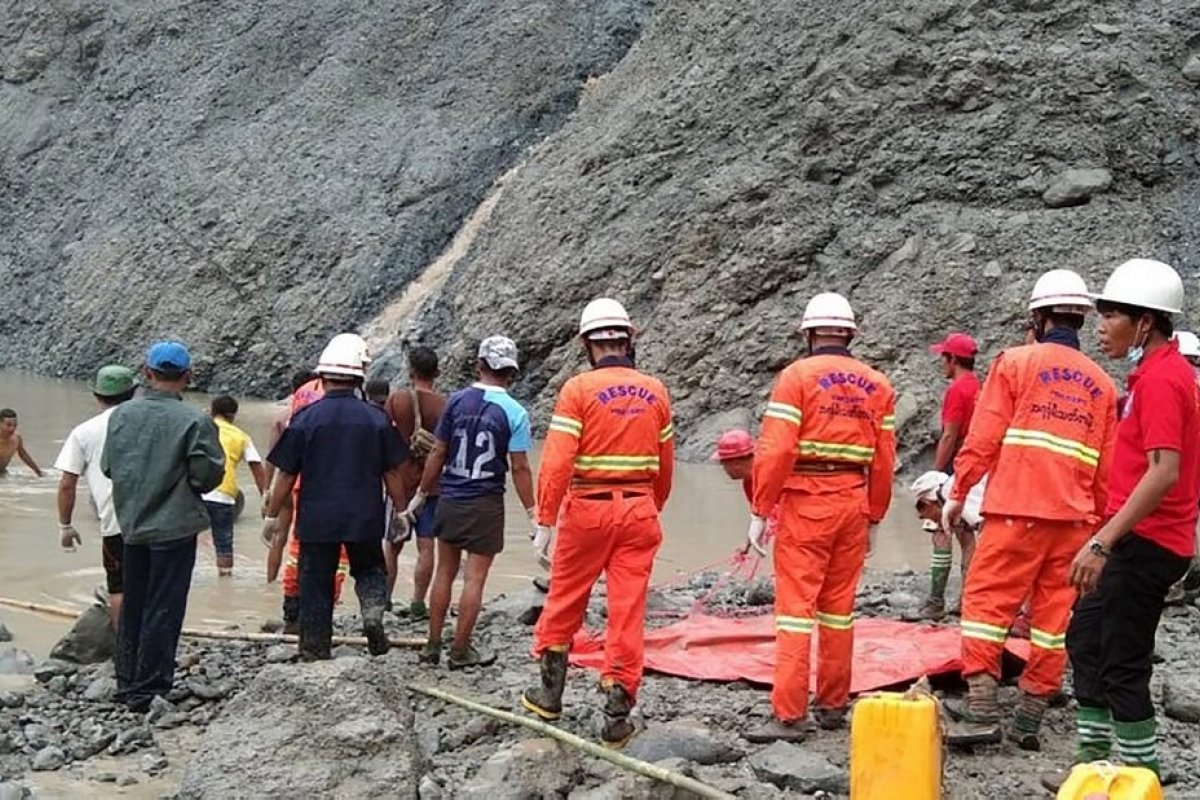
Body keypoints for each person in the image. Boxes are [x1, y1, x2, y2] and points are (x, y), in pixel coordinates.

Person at [943, 269, 1117, 750]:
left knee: (984, 605)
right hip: (1075, 522)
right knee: (1052, 621)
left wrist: (959, 490)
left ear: (1038, 317)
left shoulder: (1015, 362)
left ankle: (982, 709)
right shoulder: (1103, 384)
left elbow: (984, 434)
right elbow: (1105, 470)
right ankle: (1029, 720)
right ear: (1080, 319)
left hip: (1016, 511)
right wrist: (1098, 532)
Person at [1059, 259, 1198, 780]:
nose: (1100, 328)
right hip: (1132, 537)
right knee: (1086, 640)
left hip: (1146, 541)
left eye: (1110, 315)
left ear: (1146, 322)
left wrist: (1101, 544)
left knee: (1122, 659)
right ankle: (1091, 765)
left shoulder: (1165, 380)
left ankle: (1141, 777)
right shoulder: (1152, 376)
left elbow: (1164, 472)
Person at [742, 292, 896, 743]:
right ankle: (832, 704)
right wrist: (875, 516)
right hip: (852, 501)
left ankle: (789, 713)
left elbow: (777, 450)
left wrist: (760, 508)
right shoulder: (878, 384)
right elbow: (885, 460)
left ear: (810, 334)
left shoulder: (796, 377)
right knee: (838, 611)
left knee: (794, 611)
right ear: (849, 333)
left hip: (807, 502)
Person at [521, 299, 674, 748]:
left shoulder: (578, 390)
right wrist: (650, 507)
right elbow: (664, 468)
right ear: (628, 339)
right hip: (639, 508)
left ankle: (549, 695)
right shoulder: (656, 391)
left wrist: (545, 519)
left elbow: (556, 461)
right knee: (627, 610)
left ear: (588, 344)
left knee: (566, 598)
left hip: (587, 507)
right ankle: (616, 714)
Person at [264, 333, 410, 659]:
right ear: (360, 375)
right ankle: (372, 613)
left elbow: (286, 473)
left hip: (316, 518)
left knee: (314, 582)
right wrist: (401, 512)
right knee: (370, 570)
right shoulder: (376, 419)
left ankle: (315, 649)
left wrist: (273, 515)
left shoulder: (304, 419)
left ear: (322, 376)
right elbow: (393, 472)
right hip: (364, 514)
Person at [101, 342, 225, 712]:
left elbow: (109, 467)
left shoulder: (122, 415)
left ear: (147, 372)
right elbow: (208, 476)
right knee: (164, 605)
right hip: (174, 528)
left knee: (135, 600)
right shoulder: (195, 421)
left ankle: (127, 680)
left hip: (133, 526)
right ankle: (150, 687)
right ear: (187, 377)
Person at [406, 336, 534, 668]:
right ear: (511, 372)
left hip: (450, 496)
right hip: (486, 503)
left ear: (479, 365)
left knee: (445, 573)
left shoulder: (457, 401)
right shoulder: (516, 412)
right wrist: (534, 513)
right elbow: (519, 467)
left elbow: (438, 450)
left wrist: (422, 494)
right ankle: (460, 650)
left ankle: (431, 646)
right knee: (475, 579)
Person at [54, 365, 138, 628]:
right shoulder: (149, 423)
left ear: (97, 395)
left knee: (119, 589)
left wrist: (65, 526)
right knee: (154, 586)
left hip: (115, 522)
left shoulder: (84, 432)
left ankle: (124, 652)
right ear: (133, 392)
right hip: (158, 520)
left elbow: (67, 484)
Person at [912, 332, 980, 620]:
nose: (942, 363)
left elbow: (949, 434)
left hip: (957, 464)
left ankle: (935, 601)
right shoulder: (980, 386)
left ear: (953, 359)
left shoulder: (957, 390)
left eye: (944, 357)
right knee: (967, 534)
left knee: (939, 527)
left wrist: (936, 474)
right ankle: (968, 602)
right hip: (976, 465)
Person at [384, 346, 446, 620]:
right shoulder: (444, 405)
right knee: (426, 545)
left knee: (392, 545)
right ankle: (418, 604)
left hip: (399, 482)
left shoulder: (396, 400)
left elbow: (382, 435)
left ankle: (384, 599)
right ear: (437, 373)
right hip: (431, 484)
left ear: (410, 372)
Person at [200, 396, 267, 576]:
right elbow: (257, 469)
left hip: (196, 493)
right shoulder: (241, 436)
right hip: (225, 495)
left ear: (212, 411)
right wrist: (266, 502)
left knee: (186, 540)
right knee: (223, 543)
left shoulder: (198, 429)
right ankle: (225, 578)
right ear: (233, 416)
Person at [909, 470, 984, 616]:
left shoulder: (967, 503)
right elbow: (969, 547)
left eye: (921, 508)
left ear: (929, 502)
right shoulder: (956, 495)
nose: (920, 516)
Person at [712, 429, 778, 555]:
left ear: (736, 463)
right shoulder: (749, 483)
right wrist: (748, 544)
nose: (724, 470)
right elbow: (758, 516)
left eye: (724, 464)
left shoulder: (771, 474)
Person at [262, 370, 317, 496]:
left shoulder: (281, 419)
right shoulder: (325, 416)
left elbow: (272, 457)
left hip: (288, 479)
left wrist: (266, 489)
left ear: (293, 390)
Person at [0, 409, 43, 476]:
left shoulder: (16, 438)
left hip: (3, 472)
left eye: (15, 425)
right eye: (8, 425)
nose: (12, 428)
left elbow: (24, 455)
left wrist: (38, 471)